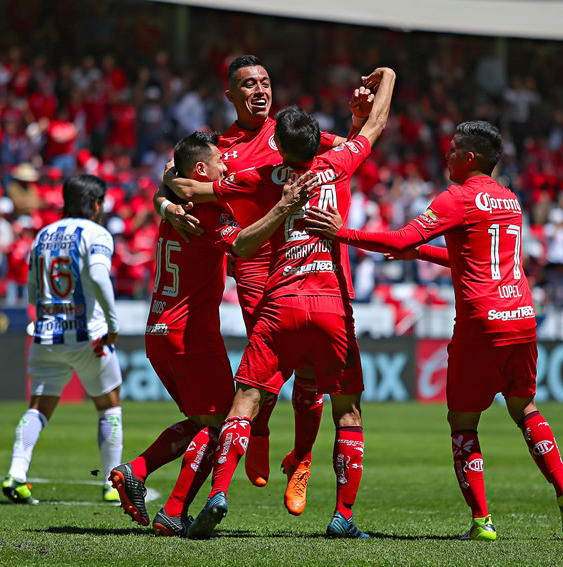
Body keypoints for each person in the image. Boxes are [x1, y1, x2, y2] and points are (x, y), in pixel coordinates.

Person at [306, 120, 563, 541]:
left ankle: (482, 522)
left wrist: (340, 233)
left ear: (469, 158)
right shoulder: (510, 200)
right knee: (524, 408)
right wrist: (422, 253)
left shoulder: (457, 198)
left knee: (463, 423)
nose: (447, 156)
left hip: (481, 321)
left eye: (454, 149)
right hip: (522, 316)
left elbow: (399, 240)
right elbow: (471, 258)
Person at [166, 66, 395, 539]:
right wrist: (388, 76)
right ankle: (343, 517)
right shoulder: (338, 163)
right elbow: (373, 129)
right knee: (347, 410)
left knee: (245, 399)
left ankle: (221, 492)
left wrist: (170, 200)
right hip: (329, 299)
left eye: (265, 83)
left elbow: (189, 186)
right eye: (249, 84)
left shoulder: (264, 175)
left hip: (281, 293)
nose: (260, 91)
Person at [108, 131, 318, 536]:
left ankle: (138, 471)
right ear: (201, 169)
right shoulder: (205, 211)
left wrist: (164, 201)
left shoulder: (178, 204)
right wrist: (283, 206)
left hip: (159, 328)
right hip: (190, 333)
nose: (227, 168)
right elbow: (240, 245)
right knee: (223, 425)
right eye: (221, 163)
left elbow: (169, 177)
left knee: (203, 420)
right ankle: (171, 509)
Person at [2, 173, 124, 504]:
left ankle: (16, 473)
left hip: (46, 335)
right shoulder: (97, 233)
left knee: (38, 409)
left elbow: (31, 292)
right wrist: (113, 323)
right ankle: (112, 484)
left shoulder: (42, 236)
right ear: (97, 204)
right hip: (89, 337)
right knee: (109, 407)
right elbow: (98, 275)